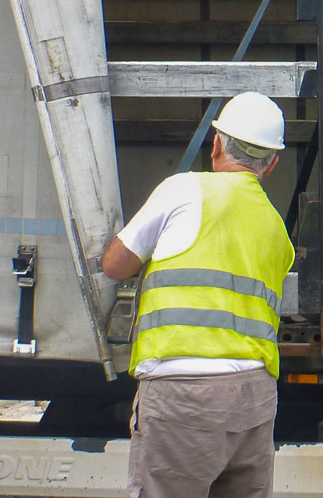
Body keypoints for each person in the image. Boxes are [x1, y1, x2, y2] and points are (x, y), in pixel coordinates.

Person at [101, 91, 295, 498]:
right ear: (272, 164)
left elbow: (115, 265)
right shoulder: (277, 229)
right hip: (256, 398)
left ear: (216, 145)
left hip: (183, 396)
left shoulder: (183, 191)